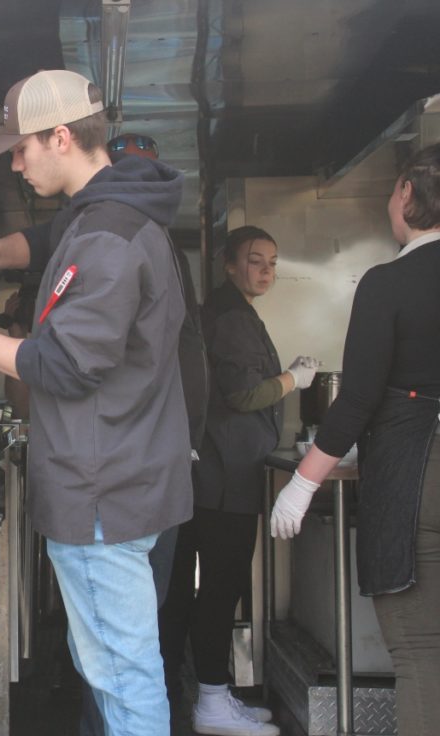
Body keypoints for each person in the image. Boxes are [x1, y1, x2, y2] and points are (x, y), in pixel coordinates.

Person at [0, 69, 193, 736]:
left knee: (124, 677)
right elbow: (51, 238)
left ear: (61, 137)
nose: (14, 161)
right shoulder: (109, 211)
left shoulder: (109, 239)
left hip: (103, 494)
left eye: (22, 147)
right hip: (128, 477)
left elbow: (62, 363)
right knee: (121, 669)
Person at [270, 143, 440, 736]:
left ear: (407, 195)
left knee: (422, 652)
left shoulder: (389, 283)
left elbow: (360, 399)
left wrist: (302, 482)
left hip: (419, 476)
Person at [167, 225, 320, 736]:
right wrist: (294, 379)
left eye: (272, 262)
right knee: (219, 588)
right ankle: (210, 699)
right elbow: (243, 395)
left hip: (214, 474)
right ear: (230, 265)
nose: (266, 271)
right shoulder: (231, 318)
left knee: (201, 590)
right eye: (256, 261)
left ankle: (202, 694)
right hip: (224, 478)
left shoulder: (231, 312)